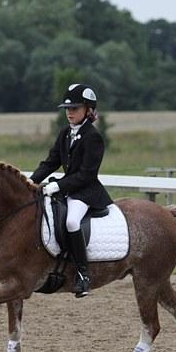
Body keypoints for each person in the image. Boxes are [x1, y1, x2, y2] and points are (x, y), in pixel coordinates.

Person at [30, 83, 113, 298]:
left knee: (71, 222)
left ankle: (83, 275)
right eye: (67, 109)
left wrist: (58, 185)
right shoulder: (65, 133)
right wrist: (30, 182)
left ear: (88, 110)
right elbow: (51, 162)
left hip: (87, 192)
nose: (69, 113)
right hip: (68, 189)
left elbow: (87, 174)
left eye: (74, 108)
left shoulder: (93, 137)